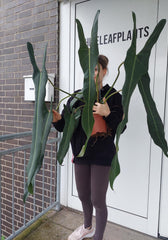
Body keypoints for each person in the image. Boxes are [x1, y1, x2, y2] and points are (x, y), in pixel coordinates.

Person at [52, 55, 124, 240]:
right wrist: (58, 120)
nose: (92, 73)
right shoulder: (77, 97)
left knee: (98, 200)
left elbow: (120, 126)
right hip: (81, 153)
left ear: (104, 71)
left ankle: (97, 236)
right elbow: (66, 127)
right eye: (88, 69)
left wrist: (107, 112)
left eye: (96, 69)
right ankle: (87, 227)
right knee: (84, 195)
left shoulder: (113, 96)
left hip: (102, 155)